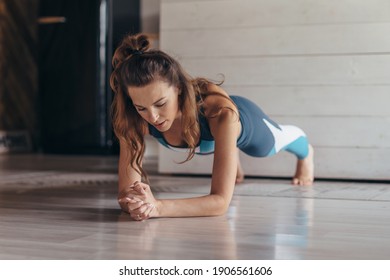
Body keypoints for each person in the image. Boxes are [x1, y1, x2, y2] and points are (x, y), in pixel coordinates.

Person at [110, 33, 314, 221]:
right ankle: (231, 156)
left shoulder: (222, 114)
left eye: (161, 104)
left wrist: (158, 207)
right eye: (141, 107)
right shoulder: (133, 118)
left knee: (266, 148)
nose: (152, 117)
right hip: (214, 135)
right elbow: (124, 193)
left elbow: (220, 202)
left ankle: (306, 152)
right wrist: (136, 203)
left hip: (244, 120)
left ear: (179, 89)